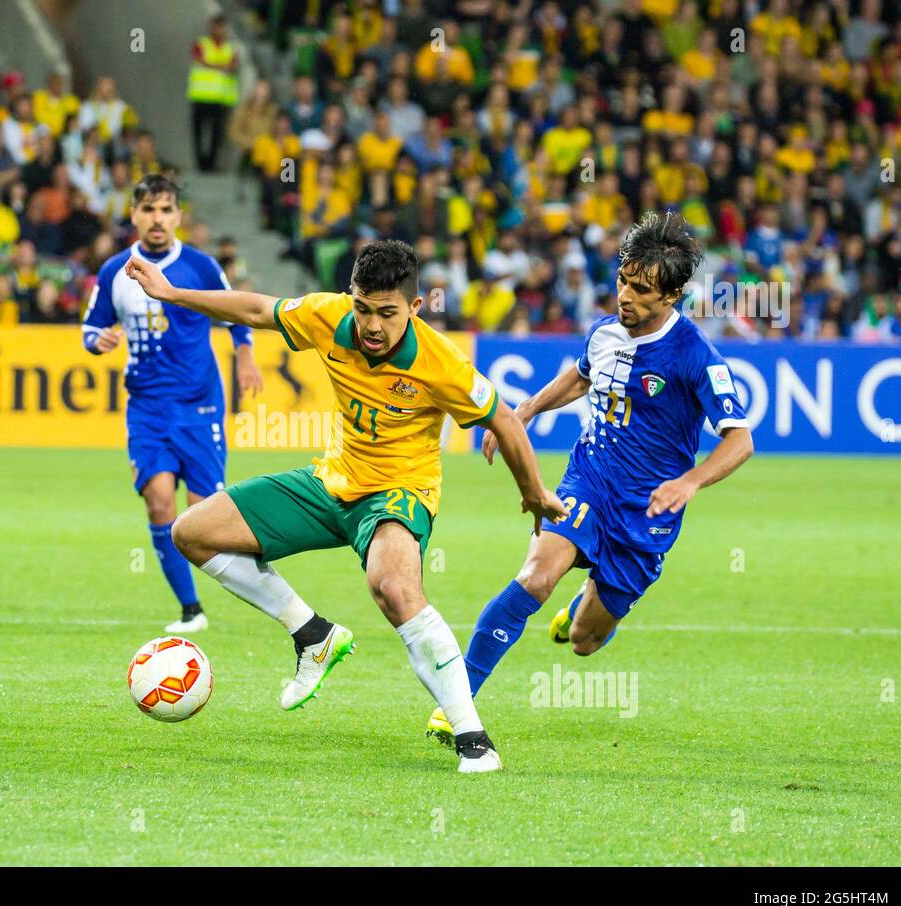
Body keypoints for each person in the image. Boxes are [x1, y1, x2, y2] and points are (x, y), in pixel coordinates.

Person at [127, 239, 568, 773]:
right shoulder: (329, 316)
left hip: (398, 494)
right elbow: (254, 309)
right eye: (363, 308)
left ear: (415, 307)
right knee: (190, 531)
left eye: (387, 313)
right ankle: (312, 634)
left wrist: (533, 491)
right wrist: (172, 293)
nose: (372, 325)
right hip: (330, 483)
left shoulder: (441, 363)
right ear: (349, 297)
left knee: (395, 588)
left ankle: (472, 735)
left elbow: (504, 420)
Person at [427, 212, 754, 741]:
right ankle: (458, 704)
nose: (625, 295)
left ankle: (583, 607)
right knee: (535, 577)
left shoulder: (697, 357)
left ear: (669, 297)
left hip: (647, 513)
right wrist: (524, 411)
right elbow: (581, 378)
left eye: (641, 289)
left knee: (584, 640)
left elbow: (741, 439)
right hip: (589, 480)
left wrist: (690, 481)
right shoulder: (605, 332)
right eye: (623, 280)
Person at [82, 175, 263, 633]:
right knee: (160, 502)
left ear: (178, 216)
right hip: (147, 408)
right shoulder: (113, 272)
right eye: (148, 209)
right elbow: (90, 326)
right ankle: (191, 610)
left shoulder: (200, 267)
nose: (157, 218)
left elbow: (238, 314)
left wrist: (246, 361)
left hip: (200, 406)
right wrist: (97, 340)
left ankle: (260, 586)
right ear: (134, 215)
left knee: (203, 521)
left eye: (165, 209)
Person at [187, 14, 239, 171]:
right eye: (216, 26)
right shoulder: (201, 44)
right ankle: (200, 163)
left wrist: (212, 65)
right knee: (198, 133)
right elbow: (199, 60)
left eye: (222, 27)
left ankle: (211, 164)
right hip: (200, 96)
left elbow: (232, 66)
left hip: (220, 99)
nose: (219, 30)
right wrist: (221, 66)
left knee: (217, 135)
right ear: (210, 27)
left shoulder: (230, 48)